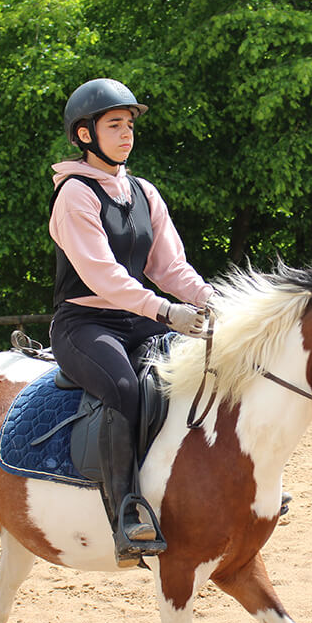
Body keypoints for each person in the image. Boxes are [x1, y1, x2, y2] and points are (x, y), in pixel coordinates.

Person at [48, 78, 213, 562]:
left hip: (138, 318)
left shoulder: (144, 192)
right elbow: (103, 276)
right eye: (114, 125)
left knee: (203, 368)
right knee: (122, 386)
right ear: (85, 135)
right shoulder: (74, 195)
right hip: (85, 324)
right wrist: (166, 311)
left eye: (129, 125)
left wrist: (212, 301)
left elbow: (170, 267)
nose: (126, 134)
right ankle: (126, 511)